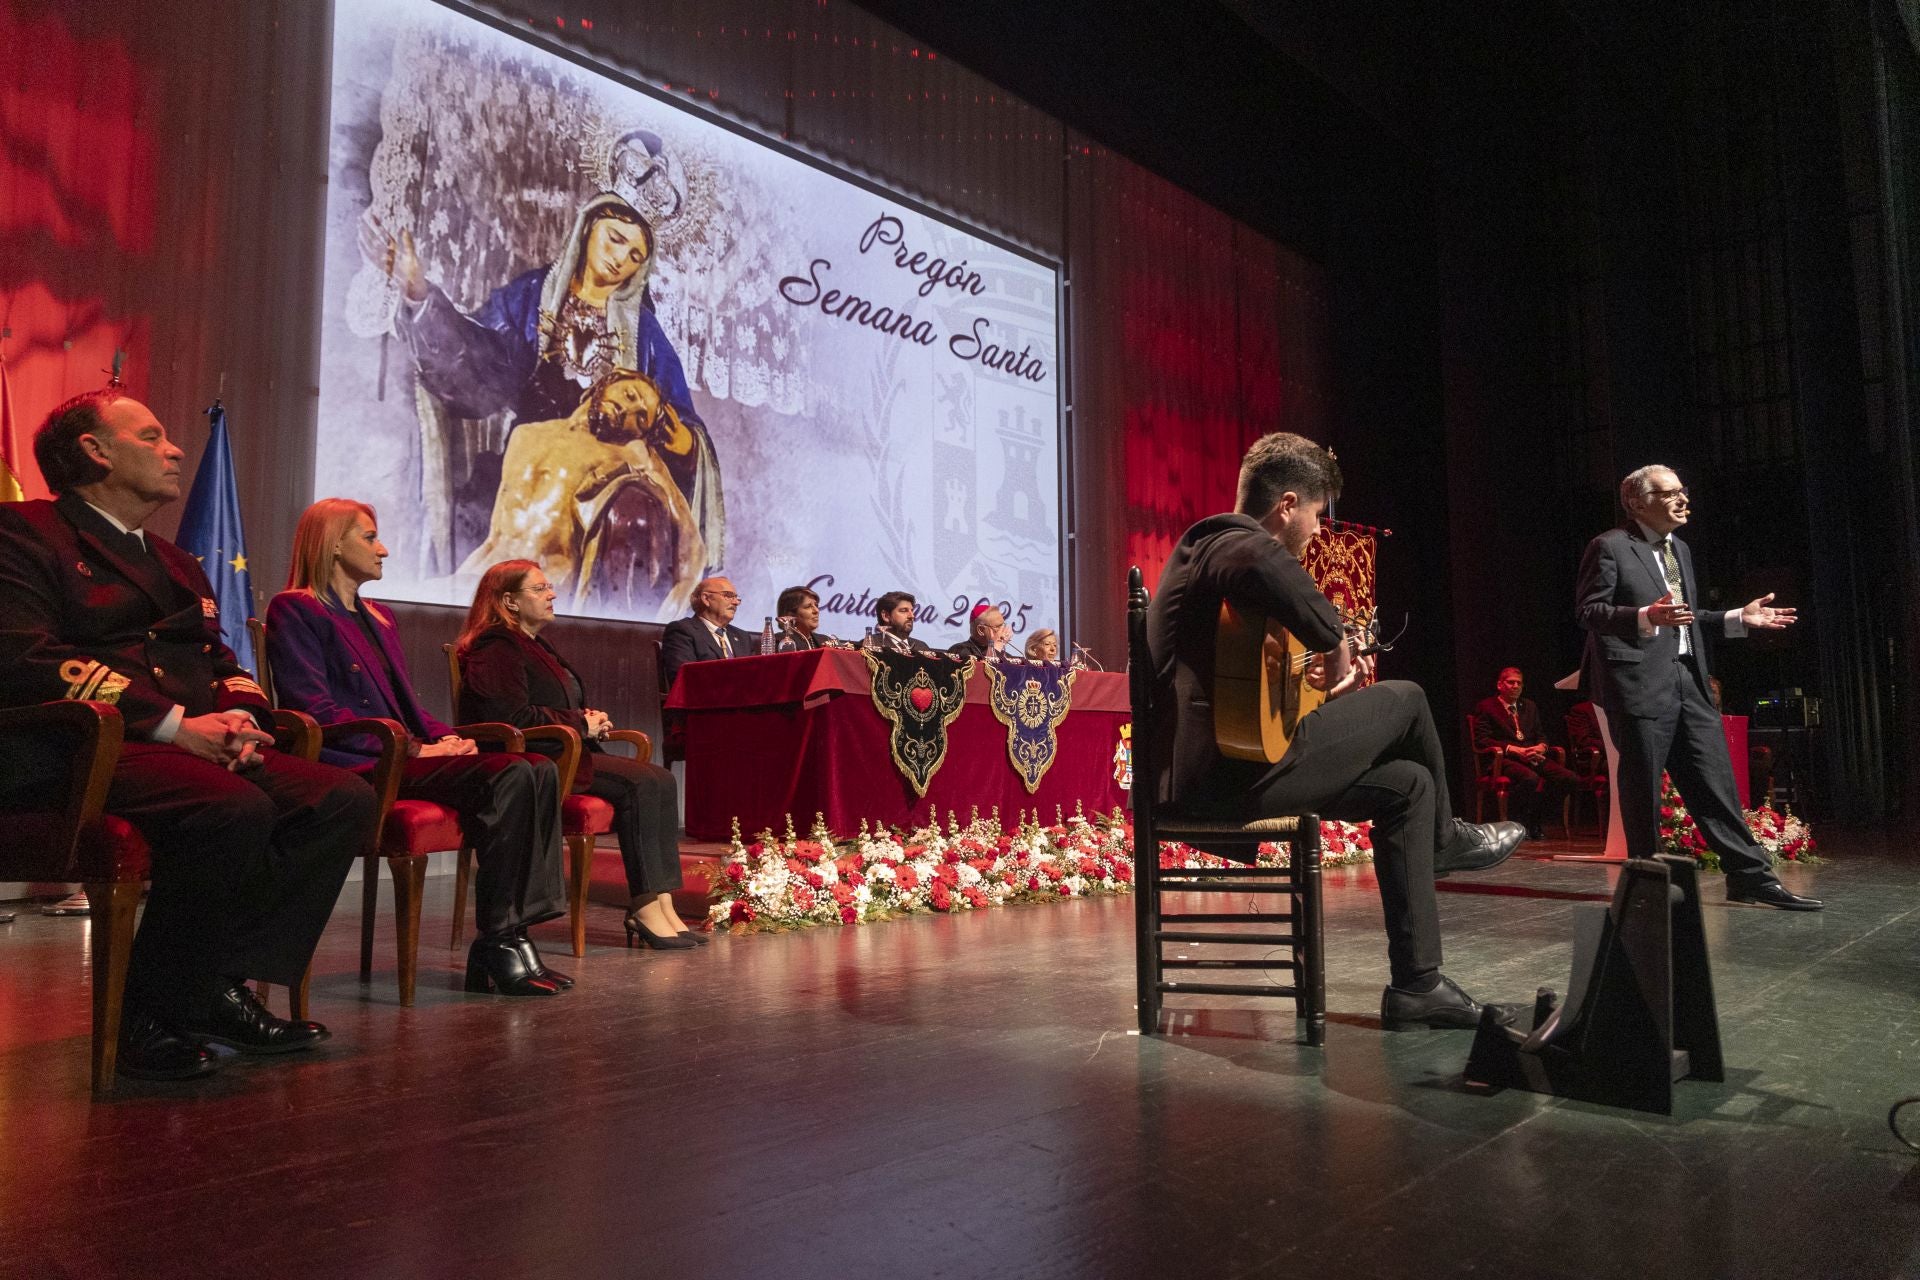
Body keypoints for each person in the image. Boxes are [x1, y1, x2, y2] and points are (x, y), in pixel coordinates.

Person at [0, 390, 374, 1079]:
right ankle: (151, 1018)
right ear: (96, 451)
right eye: (152, 436)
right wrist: (174, 725)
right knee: (230, 806)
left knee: (340, 797)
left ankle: (219, 985)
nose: (174, 450)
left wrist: (243, 719)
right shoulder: (22, 532)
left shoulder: (178, 563)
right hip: (80, 747)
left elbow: (220, 660)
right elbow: (24, 659)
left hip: (180, 744)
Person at [1147, 431, 1526, 1030]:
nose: (1320, 532)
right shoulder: (1217, 543)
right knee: (1408, 698)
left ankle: (1417, 985)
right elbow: (1258, 561)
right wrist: (1336, 638)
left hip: (1244, 764)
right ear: (1288, 504)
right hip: (1222, 781)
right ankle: (1448, 841)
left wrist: (1313, 683)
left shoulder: (1225, 566)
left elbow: (1248, 692)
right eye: (1318, 516)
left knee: (1409, 786)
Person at [266, 499, 574, 995]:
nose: (383, 548)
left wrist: (443, 737)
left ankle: (514, 934)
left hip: (402, 751)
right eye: (369, 537)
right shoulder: (296, 608)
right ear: (333, 543)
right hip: (363, 761)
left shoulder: (380, 617)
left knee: (536, 765)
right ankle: (497, 941)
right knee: (514, 773)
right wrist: (413, 749)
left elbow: (406, 705)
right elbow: (314, 710)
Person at [363, 192, 724, 586]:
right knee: (491, 526)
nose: (621, 258)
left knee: (630, 519)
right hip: (533, 458)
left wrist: (671, 434)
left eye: (636, 255)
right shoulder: (532, 296)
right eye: (615, 238)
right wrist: (419, 293)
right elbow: (482, 364)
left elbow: (683, 426)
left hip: (611, 476)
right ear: (588, 230)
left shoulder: (644, 331)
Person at [1576, 464, 1816, 909]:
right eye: (1669, 494)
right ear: (1636, 502)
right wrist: (1646, 616)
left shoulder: (1679, 549)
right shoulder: (1609, 546)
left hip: (1689, 679)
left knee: (1715, 781)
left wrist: (1736, 618)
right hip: (1638, 684)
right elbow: (1590, 611)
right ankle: (1647, 882)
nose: (1683, 500)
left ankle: (1749, 877)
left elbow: (1687, 618)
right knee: (1643, 788)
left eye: (1683, 491)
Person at [456, 561, 699, 950]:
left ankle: (661, 899)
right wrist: (577, 722)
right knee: (643, 783)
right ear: (508, 601)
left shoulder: (533, 643)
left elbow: (546, 705)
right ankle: (645, 904)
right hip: (537, 761)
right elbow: (508, 715)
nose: (552, 594)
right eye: (539, 589)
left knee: (659, 779)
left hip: (565, 751)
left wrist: (589, 721)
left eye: (549, 586)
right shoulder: (496, 644)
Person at [457, 368, 706, 620]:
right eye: (630, 395)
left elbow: (692, 548)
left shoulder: (630, 451)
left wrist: (666, 619)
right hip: (481, 577)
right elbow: (493, 537)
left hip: (539, 590)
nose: (629, 411)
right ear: (608, 382)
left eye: (641, 419)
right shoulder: (525, 434)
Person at [1471, 667, 1578, 838]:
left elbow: (1540, 734)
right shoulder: (1487, 706)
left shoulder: (1529, 706)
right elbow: (1482, 740)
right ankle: (1519, 822)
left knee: (1568, 778)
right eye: (1510, 682)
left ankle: (1534, 817)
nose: (1515, 686)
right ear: (1500, 685)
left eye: (1518, 683)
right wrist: (1513, 749)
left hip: (1531, 756)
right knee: (1530, 779)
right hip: (1504, 759)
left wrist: (1541, 747)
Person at [660, 576, 759, 689]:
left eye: (737, 598)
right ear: (706, 599)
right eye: (728, 595)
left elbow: (755, 677)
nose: (736, 602)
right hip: (705, 702)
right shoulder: (682, 630)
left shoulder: (742, 637)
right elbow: (684, 679)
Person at [773, 584, 843, 650]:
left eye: (816, 605)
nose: (816, 610)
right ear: (791, 614)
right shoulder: (779, 642)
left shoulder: (825, 640)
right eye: (808, 606)